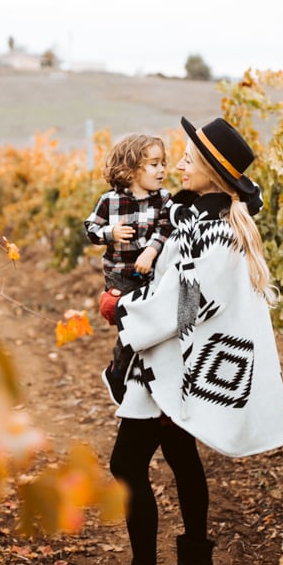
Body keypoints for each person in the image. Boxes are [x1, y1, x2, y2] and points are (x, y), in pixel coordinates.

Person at [79, 116, 283, 565]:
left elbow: (188, 302)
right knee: (178, 454)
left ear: (211, 173)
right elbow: (178, 262)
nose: (177, 165)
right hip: (171, 360)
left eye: (188, 160)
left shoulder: (218, 231)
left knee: (127, 462)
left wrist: (123, 311)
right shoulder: (201, 215)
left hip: (168, 363)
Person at [84, 134, 173, 403]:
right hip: (120, 274)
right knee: (130, 326)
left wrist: (152, 249)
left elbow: (168, 228)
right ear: (131, 169)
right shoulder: (109, 201)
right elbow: (91, 229)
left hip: (152, 276)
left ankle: (145, 376)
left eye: (163, 164)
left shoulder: (165, 199)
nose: (162, 170)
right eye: (154, 164)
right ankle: (118, 371)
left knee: (150, 328)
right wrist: (110, 233)